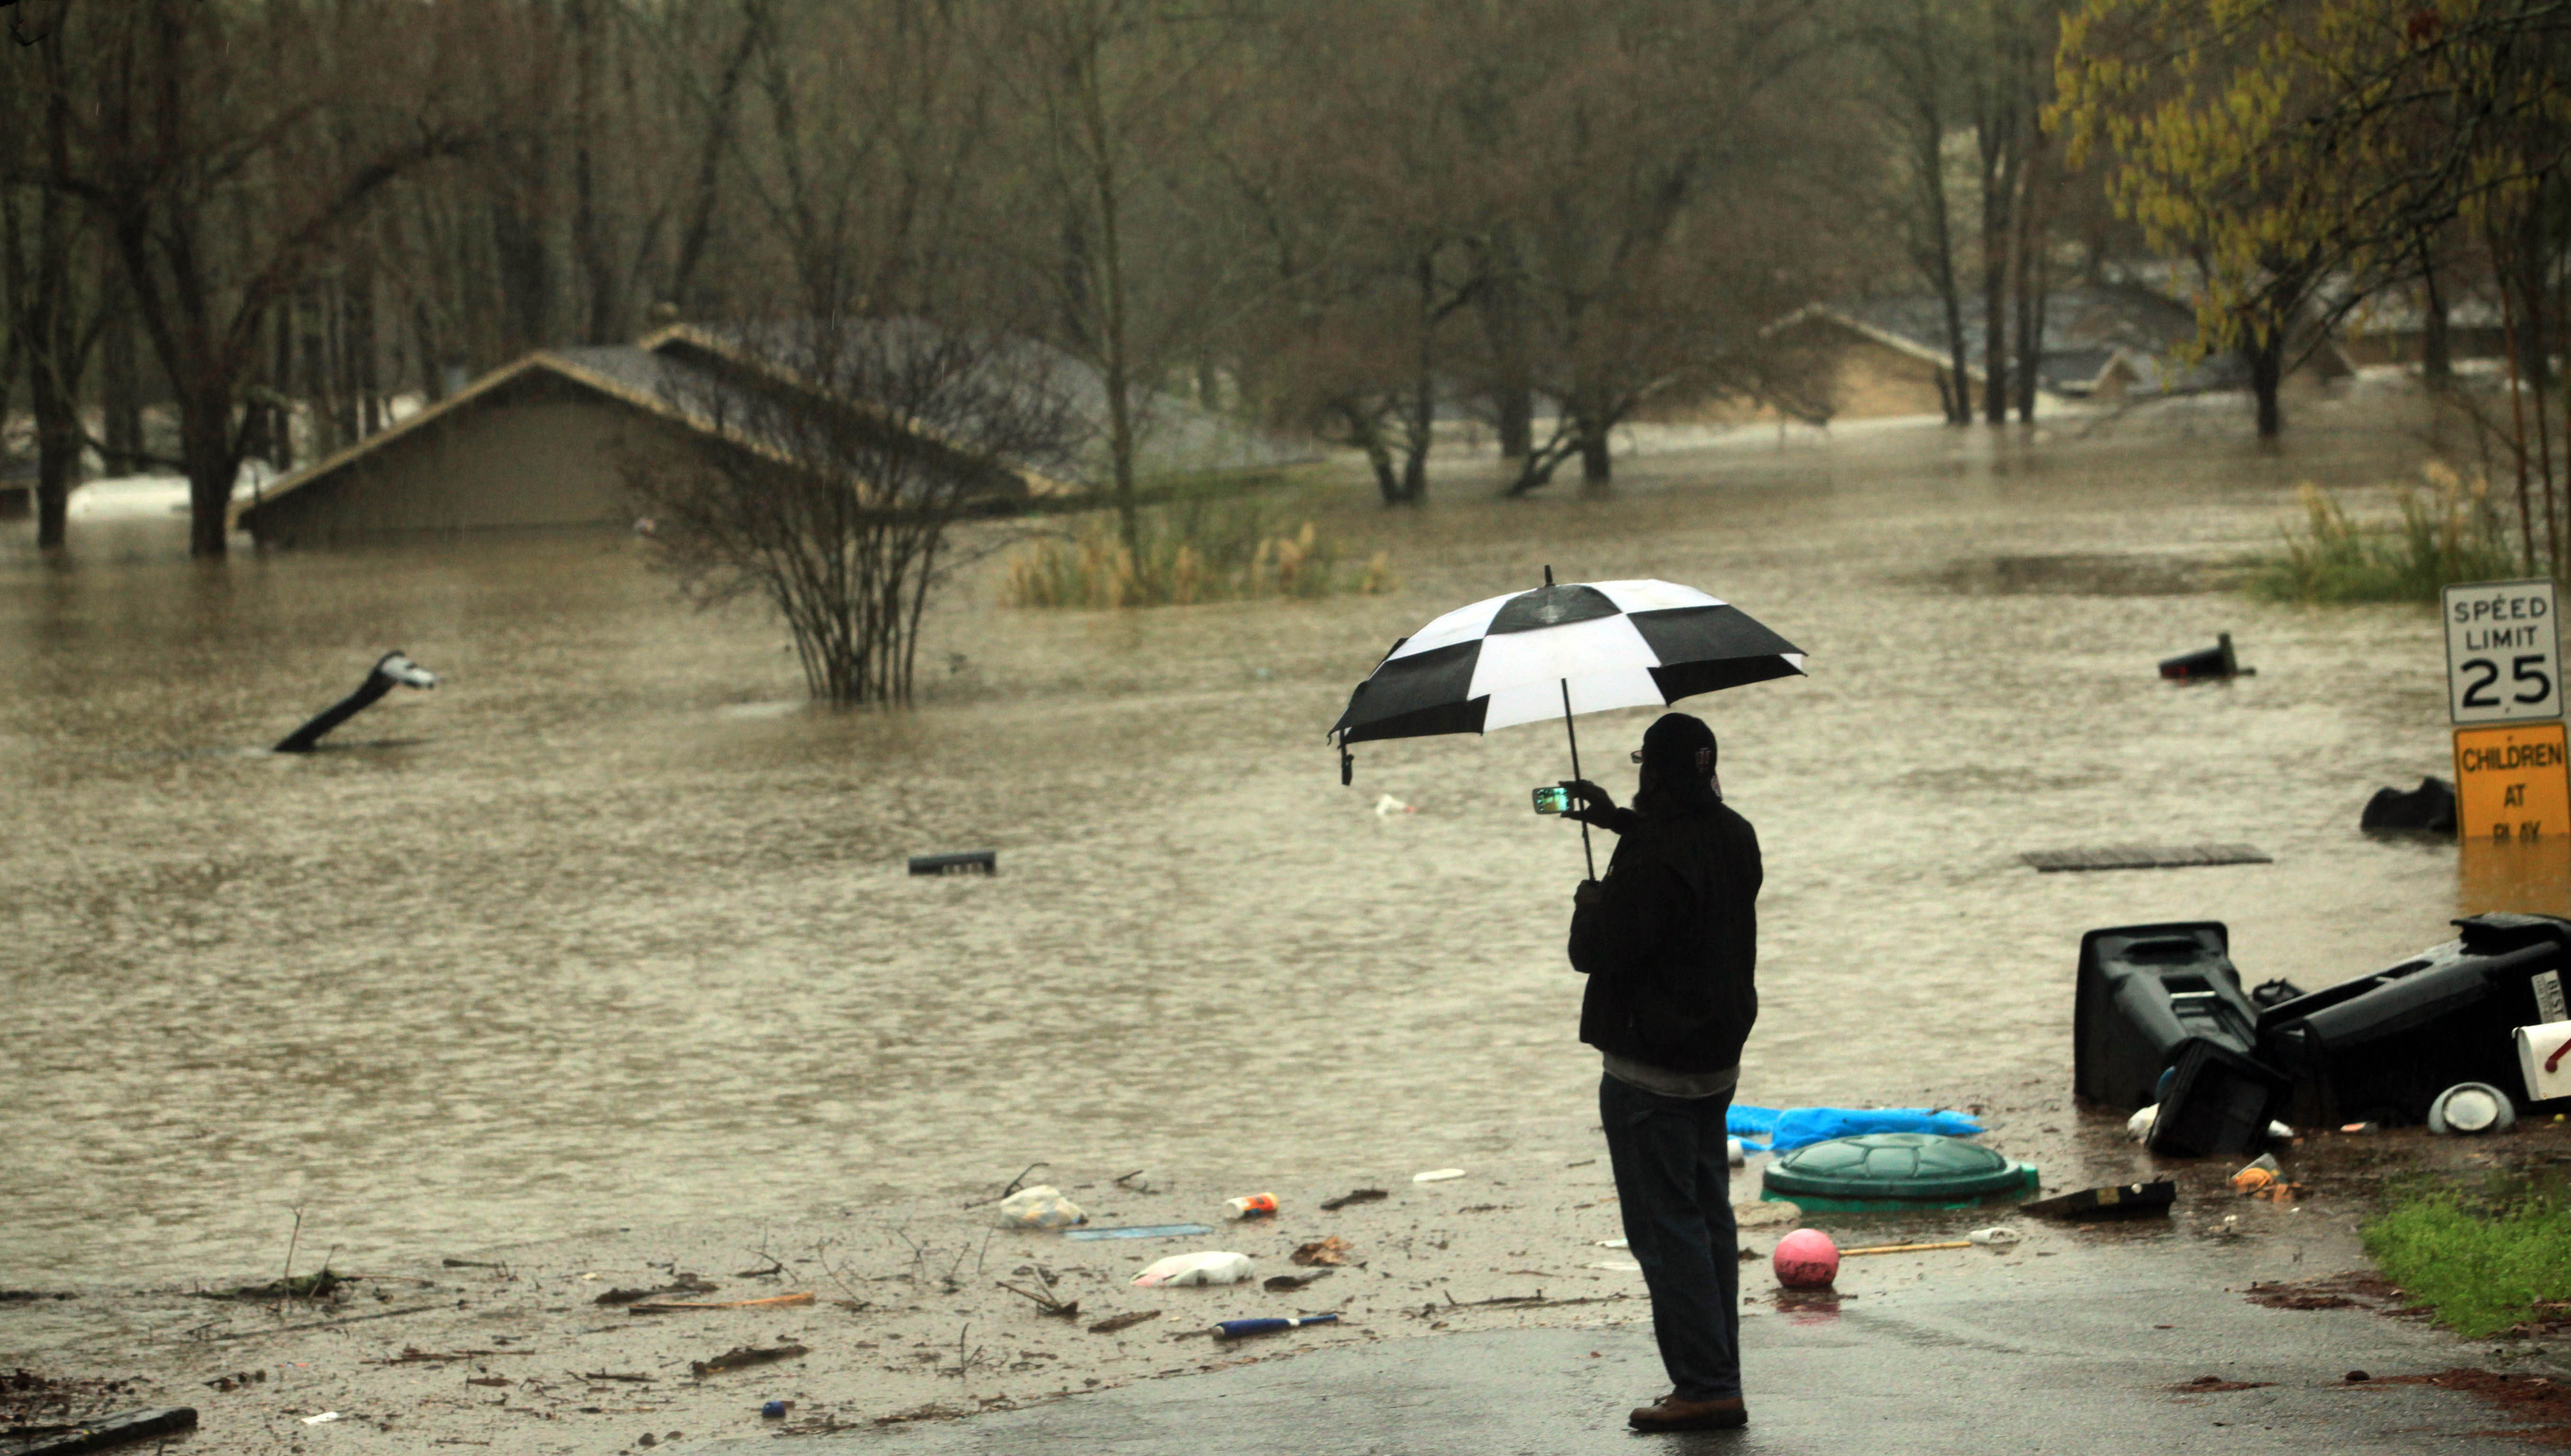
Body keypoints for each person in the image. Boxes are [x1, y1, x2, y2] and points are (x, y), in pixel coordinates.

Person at [1562, 711, 1762, 1433]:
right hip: (1715, 1065)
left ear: (1654, 771)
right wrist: (1615, 818)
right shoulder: (1734, 833)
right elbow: (1686, 859)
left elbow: (1595, 951)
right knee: (1708, 1220)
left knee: (1666, 1229)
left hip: (1650, 1075)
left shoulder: (1652, 861)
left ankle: (1707, 1384)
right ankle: (1719, 1371)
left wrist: (1591, 900)